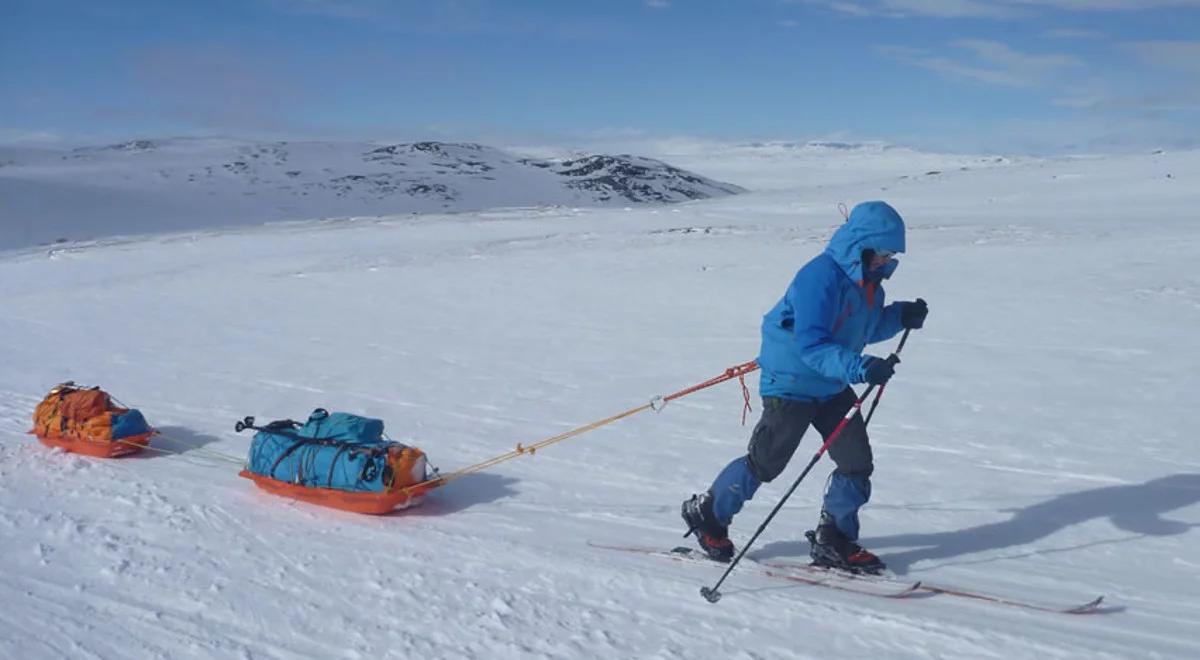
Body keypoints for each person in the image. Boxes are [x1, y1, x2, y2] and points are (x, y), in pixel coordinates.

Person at [681, 201, 928, 573]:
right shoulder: (820, 277)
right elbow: (811, 344)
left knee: (856, 462)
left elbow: (863, 330)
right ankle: (709, 515)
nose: (884, 260)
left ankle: (835, 539)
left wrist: (898, 316)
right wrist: (861, 368)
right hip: (791, 382)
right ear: (860, 244)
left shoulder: (869, 286)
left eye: (891, 254)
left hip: (830, 384)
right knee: (766, 462)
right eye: (880, 252)